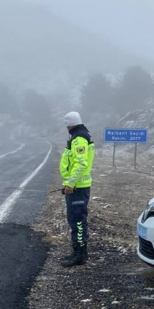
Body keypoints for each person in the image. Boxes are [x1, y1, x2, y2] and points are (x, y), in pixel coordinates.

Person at [60, 111, 95, 267]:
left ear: (70, 124)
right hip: (77, 186)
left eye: (67, 124)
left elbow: (81, 164)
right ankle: (78, 252)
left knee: (78, 222)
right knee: (75, 220)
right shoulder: (79, 135)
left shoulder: (79, 138)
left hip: (78, 188)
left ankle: (80, 255)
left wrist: (70, 184)